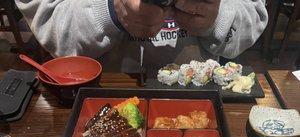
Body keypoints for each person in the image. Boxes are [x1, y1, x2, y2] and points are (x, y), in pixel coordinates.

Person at [15, 0, 268, 72]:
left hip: (202, 89)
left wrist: (217, 17)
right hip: (96, 91)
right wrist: (110, 12)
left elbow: (255, 12)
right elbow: (47, 15)